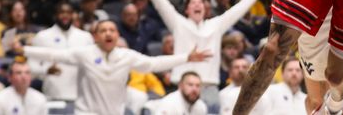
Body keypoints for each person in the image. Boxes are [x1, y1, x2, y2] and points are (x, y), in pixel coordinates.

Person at [128, 0, 274, 109]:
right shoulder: (179, 23)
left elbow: (237, 10)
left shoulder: (216, 25)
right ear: (187, 9)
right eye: (193, 3)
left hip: (209, 87)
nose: (197, 5)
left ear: (205, 9)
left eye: (200, 3)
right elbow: (160, 2)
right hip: (182, 86)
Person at [18, 19, 210, 115]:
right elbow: (54, 54)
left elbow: (154, 63)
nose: (108, 33)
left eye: (112, 30)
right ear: (95, 36)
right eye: (103, 31)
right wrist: (24, 50)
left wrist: (186, 57)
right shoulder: (85, 53)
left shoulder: (126, 56)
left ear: (117, 35)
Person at [28, 2, 94, 102]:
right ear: (55, 15)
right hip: (53, 95)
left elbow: (92, 65)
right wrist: (46, 70)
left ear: (73, 15)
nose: (65, 15)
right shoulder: (42, 36)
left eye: (68, 12)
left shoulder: (85, 37)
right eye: (61, 12)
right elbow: (31, 66)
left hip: (81, 96)